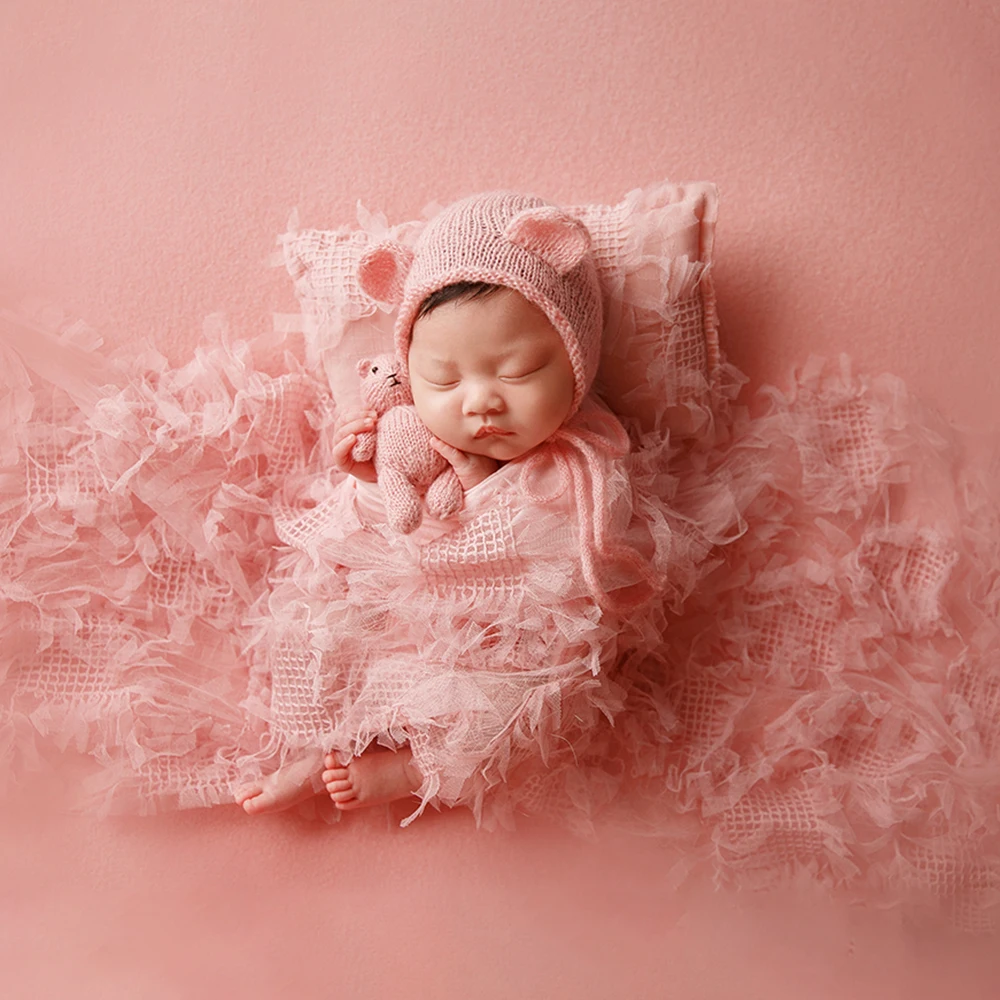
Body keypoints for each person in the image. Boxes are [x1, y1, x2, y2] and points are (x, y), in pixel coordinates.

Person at [236, 192, 666, 825]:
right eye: (443, 379)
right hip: (404, 603)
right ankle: (316, 748)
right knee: (323, 621)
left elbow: (572, 564)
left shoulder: (582, 464)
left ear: (577, 364)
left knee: (543, 699)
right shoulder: (410, 431)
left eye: (518, 372)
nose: (481, 403)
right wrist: (368, 480)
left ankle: (416, 767)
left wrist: (479, 489)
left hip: (507, 639)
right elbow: (373, 541)